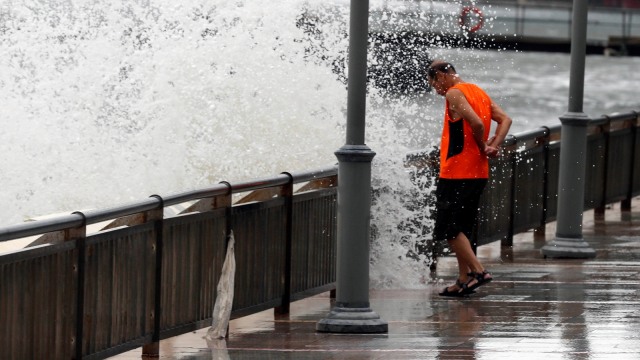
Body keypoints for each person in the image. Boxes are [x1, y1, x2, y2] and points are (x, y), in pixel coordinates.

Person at [427, 60, 512, 297]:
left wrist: (483, 144)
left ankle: (478, 272)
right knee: (461, 229)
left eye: (434, 83)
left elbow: (475, 122)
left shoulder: (454, 93)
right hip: (478, 172)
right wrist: (494, 146)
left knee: (448, 229)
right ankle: (462, 280)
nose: (435, 89)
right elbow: (506, 119)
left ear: (442, 76)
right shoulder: (477, 91)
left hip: (456, 172)